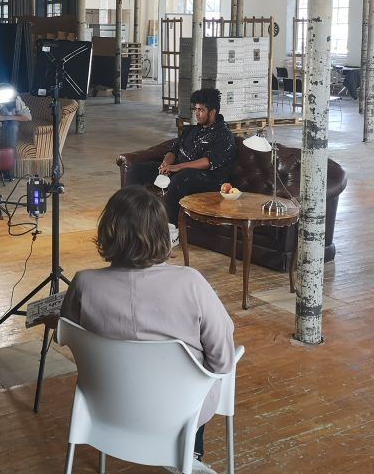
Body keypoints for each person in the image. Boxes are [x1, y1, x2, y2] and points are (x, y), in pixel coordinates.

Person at [60, 186, 235, 473]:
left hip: (107, 404)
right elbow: (223, 361)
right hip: (181, 409)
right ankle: (190, 455)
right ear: (162, 234)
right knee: (205, 366)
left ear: (108, 231)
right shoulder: (191, 283)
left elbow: (70, 334)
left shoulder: (83, 283)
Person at [126, 87, 237, 224]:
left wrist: (178, 167)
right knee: (135, 171)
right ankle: (131, 219)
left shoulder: (224, 135)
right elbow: (174, 149)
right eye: (195, 109)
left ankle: (171, 227)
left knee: (180, 179)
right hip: (180, 171)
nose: (197, 114)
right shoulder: (192, 130)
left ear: (212, 112)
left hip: (209, 178)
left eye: (201, 110)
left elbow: (209, 161)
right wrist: (166, 164)